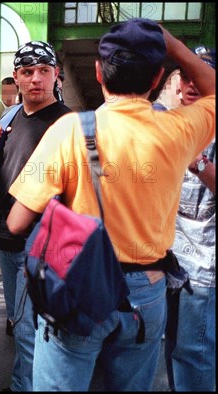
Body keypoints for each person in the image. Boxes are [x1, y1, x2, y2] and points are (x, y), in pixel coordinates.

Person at [5, 19, 215, 391]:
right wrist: (175, 47)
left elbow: (17, 222)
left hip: (79, 284)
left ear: (99, 72)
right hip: (147, 291)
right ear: (157, 78)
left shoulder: (70, 130)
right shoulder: (179, 131)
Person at [0, 40, 71, 391]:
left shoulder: (67, 122)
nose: (36, 79)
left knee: (31, 329)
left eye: (44, 71)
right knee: (20, 322)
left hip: (44, 239)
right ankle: (22, 382)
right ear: (16, 77)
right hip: (7, 237)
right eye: (28, 72)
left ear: (56, 76)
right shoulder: (9, 117)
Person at [165, 45, 216, 392]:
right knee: (175, 348)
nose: (193, 83)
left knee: (193, 351)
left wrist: (197, 162)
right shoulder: (167, 124)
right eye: (187, 75)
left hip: (202, 266)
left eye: (202, 74)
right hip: (166, 262)